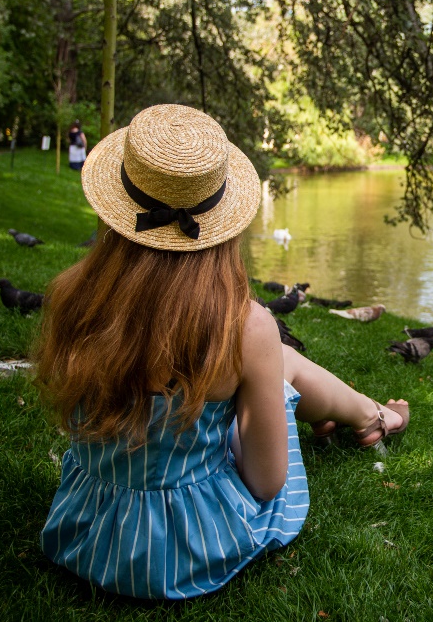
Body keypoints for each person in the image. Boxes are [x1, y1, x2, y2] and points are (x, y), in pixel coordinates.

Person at [33, 104, 408, 600]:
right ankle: (372, 416)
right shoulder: (245, 325)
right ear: (221, 220)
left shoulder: (73, 298)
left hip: (90, 531)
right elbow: (267, 482)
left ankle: (365, 413)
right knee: (276, 372)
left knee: (269, 368)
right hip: (192, 547)